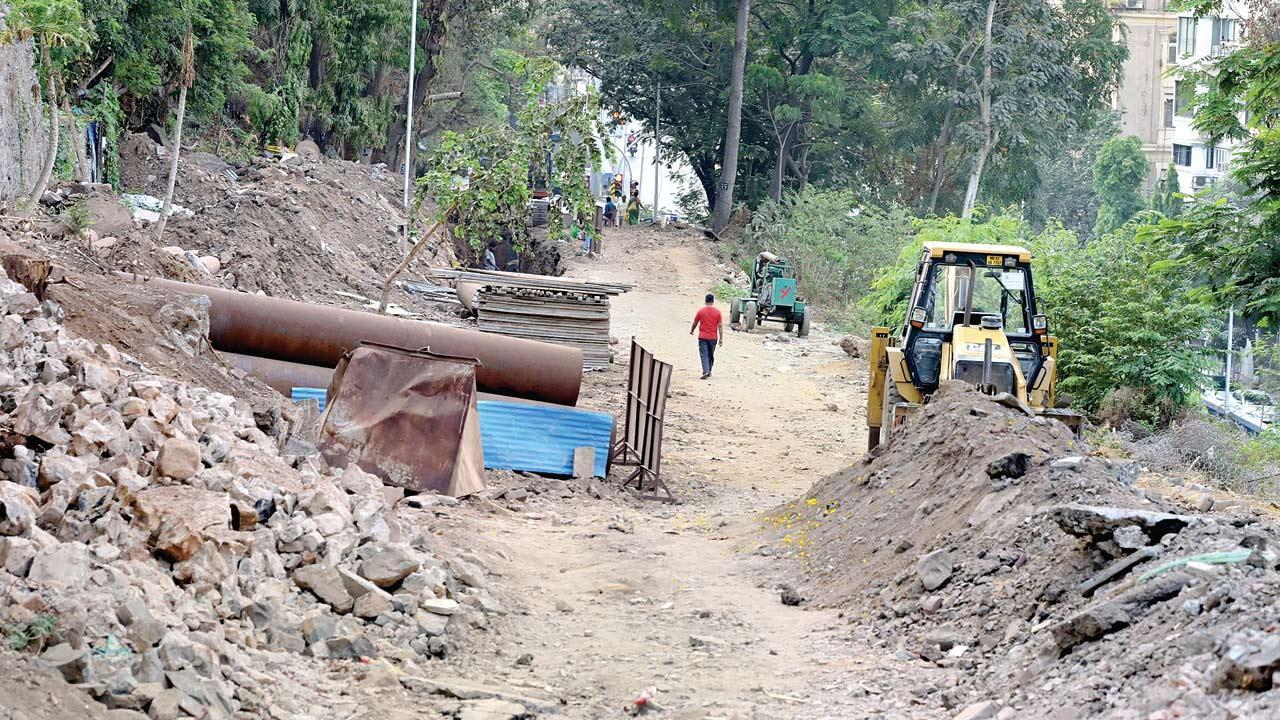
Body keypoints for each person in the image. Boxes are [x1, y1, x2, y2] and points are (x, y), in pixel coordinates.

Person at [689, 293, 723, 380]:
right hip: (713, 338)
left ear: (705, 301)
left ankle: (706, 371)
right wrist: (721, 339)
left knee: (704, 354)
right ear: (713, 301)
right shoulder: (717, 312)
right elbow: (720, 326)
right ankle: (708, 371)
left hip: (702, 337)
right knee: (711, 355)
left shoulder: (701, 311)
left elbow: (695, 322)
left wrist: (692, 330)